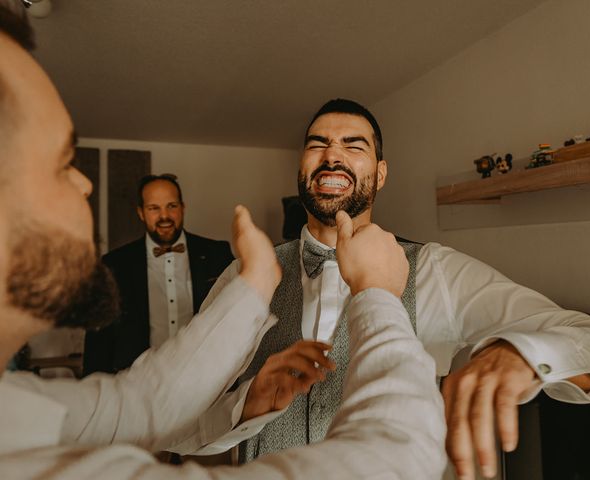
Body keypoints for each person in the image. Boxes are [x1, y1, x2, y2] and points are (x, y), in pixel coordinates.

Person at [0, 4, 447, 477]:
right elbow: (396, 462)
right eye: (61, 162)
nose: (85, 185)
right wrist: (377, 296)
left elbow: (138, 403)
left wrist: (255, 286)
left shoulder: (18, 412)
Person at [202, 98, 590, 479]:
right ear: (301, 167)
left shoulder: (435, 270)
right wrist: (246, 406)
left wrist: (521, 350)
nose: (332, 155)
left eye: (354, 145)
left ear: (382, 171)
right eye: (318, 143)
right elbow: (184, 419)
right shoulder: (246, 275)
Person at [83, 173, 234, 375]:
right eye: (154, 208)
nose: (164, 216)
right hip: (136, 383)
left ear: (182, 207)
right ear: (141, 212)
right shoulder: (113, 264)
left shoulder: (217, 254)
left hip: (207, 379)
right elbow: (99, 339)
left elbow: (234, 320)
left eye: (171, 206)